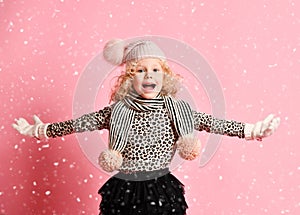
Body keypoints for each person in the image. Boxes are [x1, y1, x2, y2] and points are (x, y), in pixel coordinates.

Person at [12, 39, 280, 215]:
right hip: (124, 190)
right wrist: (42, 130)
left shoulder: (178, 111)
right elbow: (80, 123)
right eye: (140, 70)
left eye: (155, 69)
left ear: (164, 76)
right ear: (129, 79)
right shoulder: (116, 111)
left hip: (161, 189)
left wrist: (252, 130)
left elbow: (213, 123)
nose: (148, 75)